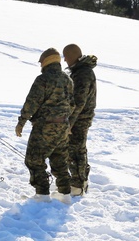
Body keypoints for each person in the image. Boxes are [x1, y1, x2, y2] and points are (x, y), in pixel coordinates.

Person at [15, 48, 74, 201]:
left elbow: (31, 103)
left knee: (34, 159)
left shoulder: (43, 79)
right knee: (59, 159)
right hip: (63, 127)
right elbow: (73, 104)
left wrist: (21, 122)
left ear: (45, 62)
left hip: (45, 127)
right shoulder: (67, 79)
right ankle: (65, 193)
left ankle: (42, 194)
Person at [63, 43, 97, 196]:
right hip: (80, 118)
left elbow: (79, 102)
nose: (65, 61)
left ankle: (77, 186)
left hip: (79, 119)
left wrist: (70, 123)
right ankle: (81, 182)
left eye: (66, 57)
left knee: (75, 151)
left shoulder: (82, 73)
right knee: (79, 150)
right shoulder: (81, 71)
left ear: (72, 57)